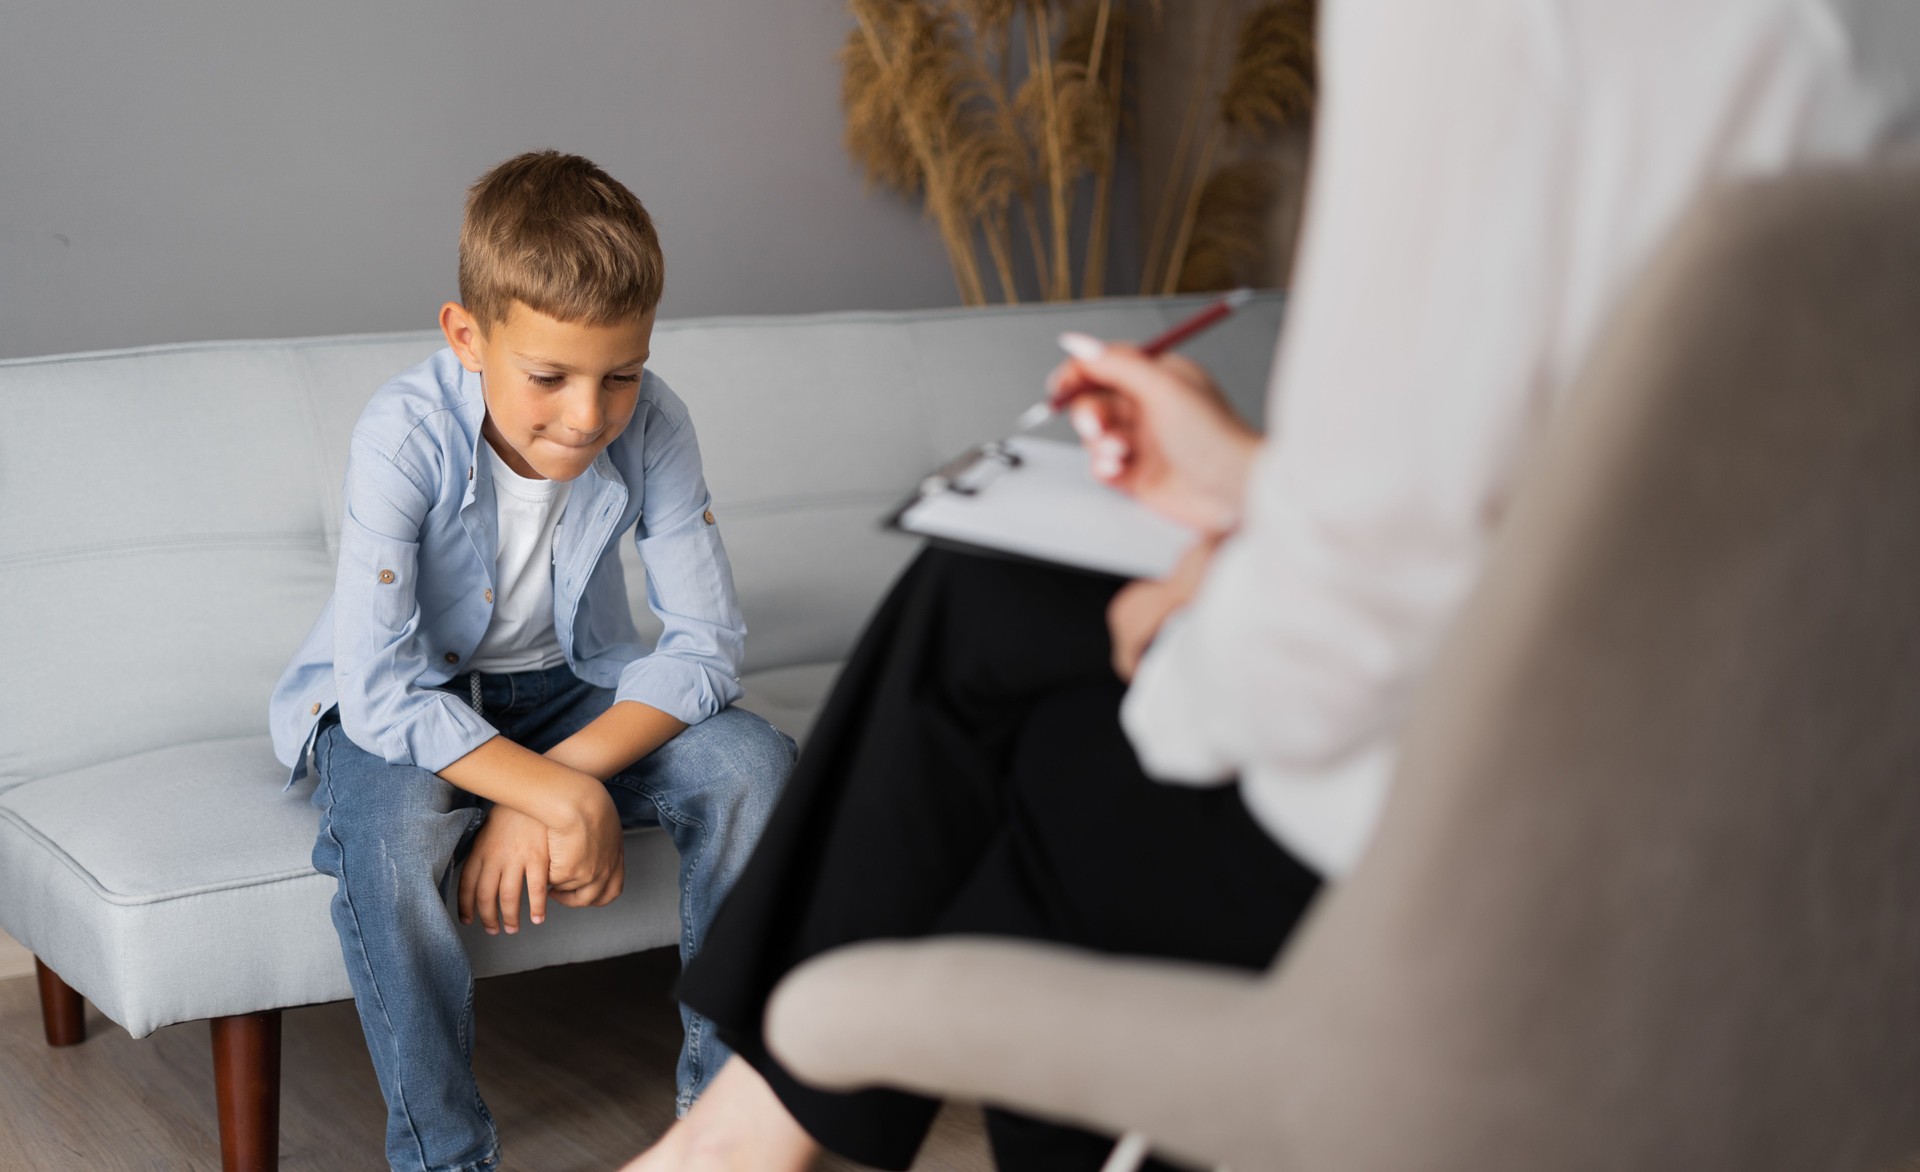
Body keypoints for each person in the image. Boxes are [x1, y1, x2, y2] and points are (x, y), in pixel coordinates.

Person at [630, 3, 1920, 1169]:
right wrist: (1255, 483)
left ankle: (739, 1143)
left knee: (1054, 770)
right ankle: (740, 1133)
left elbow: (1328, 651)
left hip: (1505, 850)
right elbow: (1634, 500)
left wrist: (1182, 630)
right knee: (988, 593)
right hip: (1785, 820)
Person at [266, 150, 795, 1172]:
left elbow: (706, 646)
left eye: (622, 374)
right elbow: (378, 693)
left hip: (567, 690)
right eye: (549, 376)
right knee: (394, 821)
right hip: (406, 700)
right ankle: (444, 1155)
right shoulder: (401, 435)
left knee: (755, 763)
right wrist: (549, 789)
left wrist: (554, 784)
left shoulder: (658, 423)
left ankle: (724, 1124)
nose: (591, 415)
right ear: (467, 335)